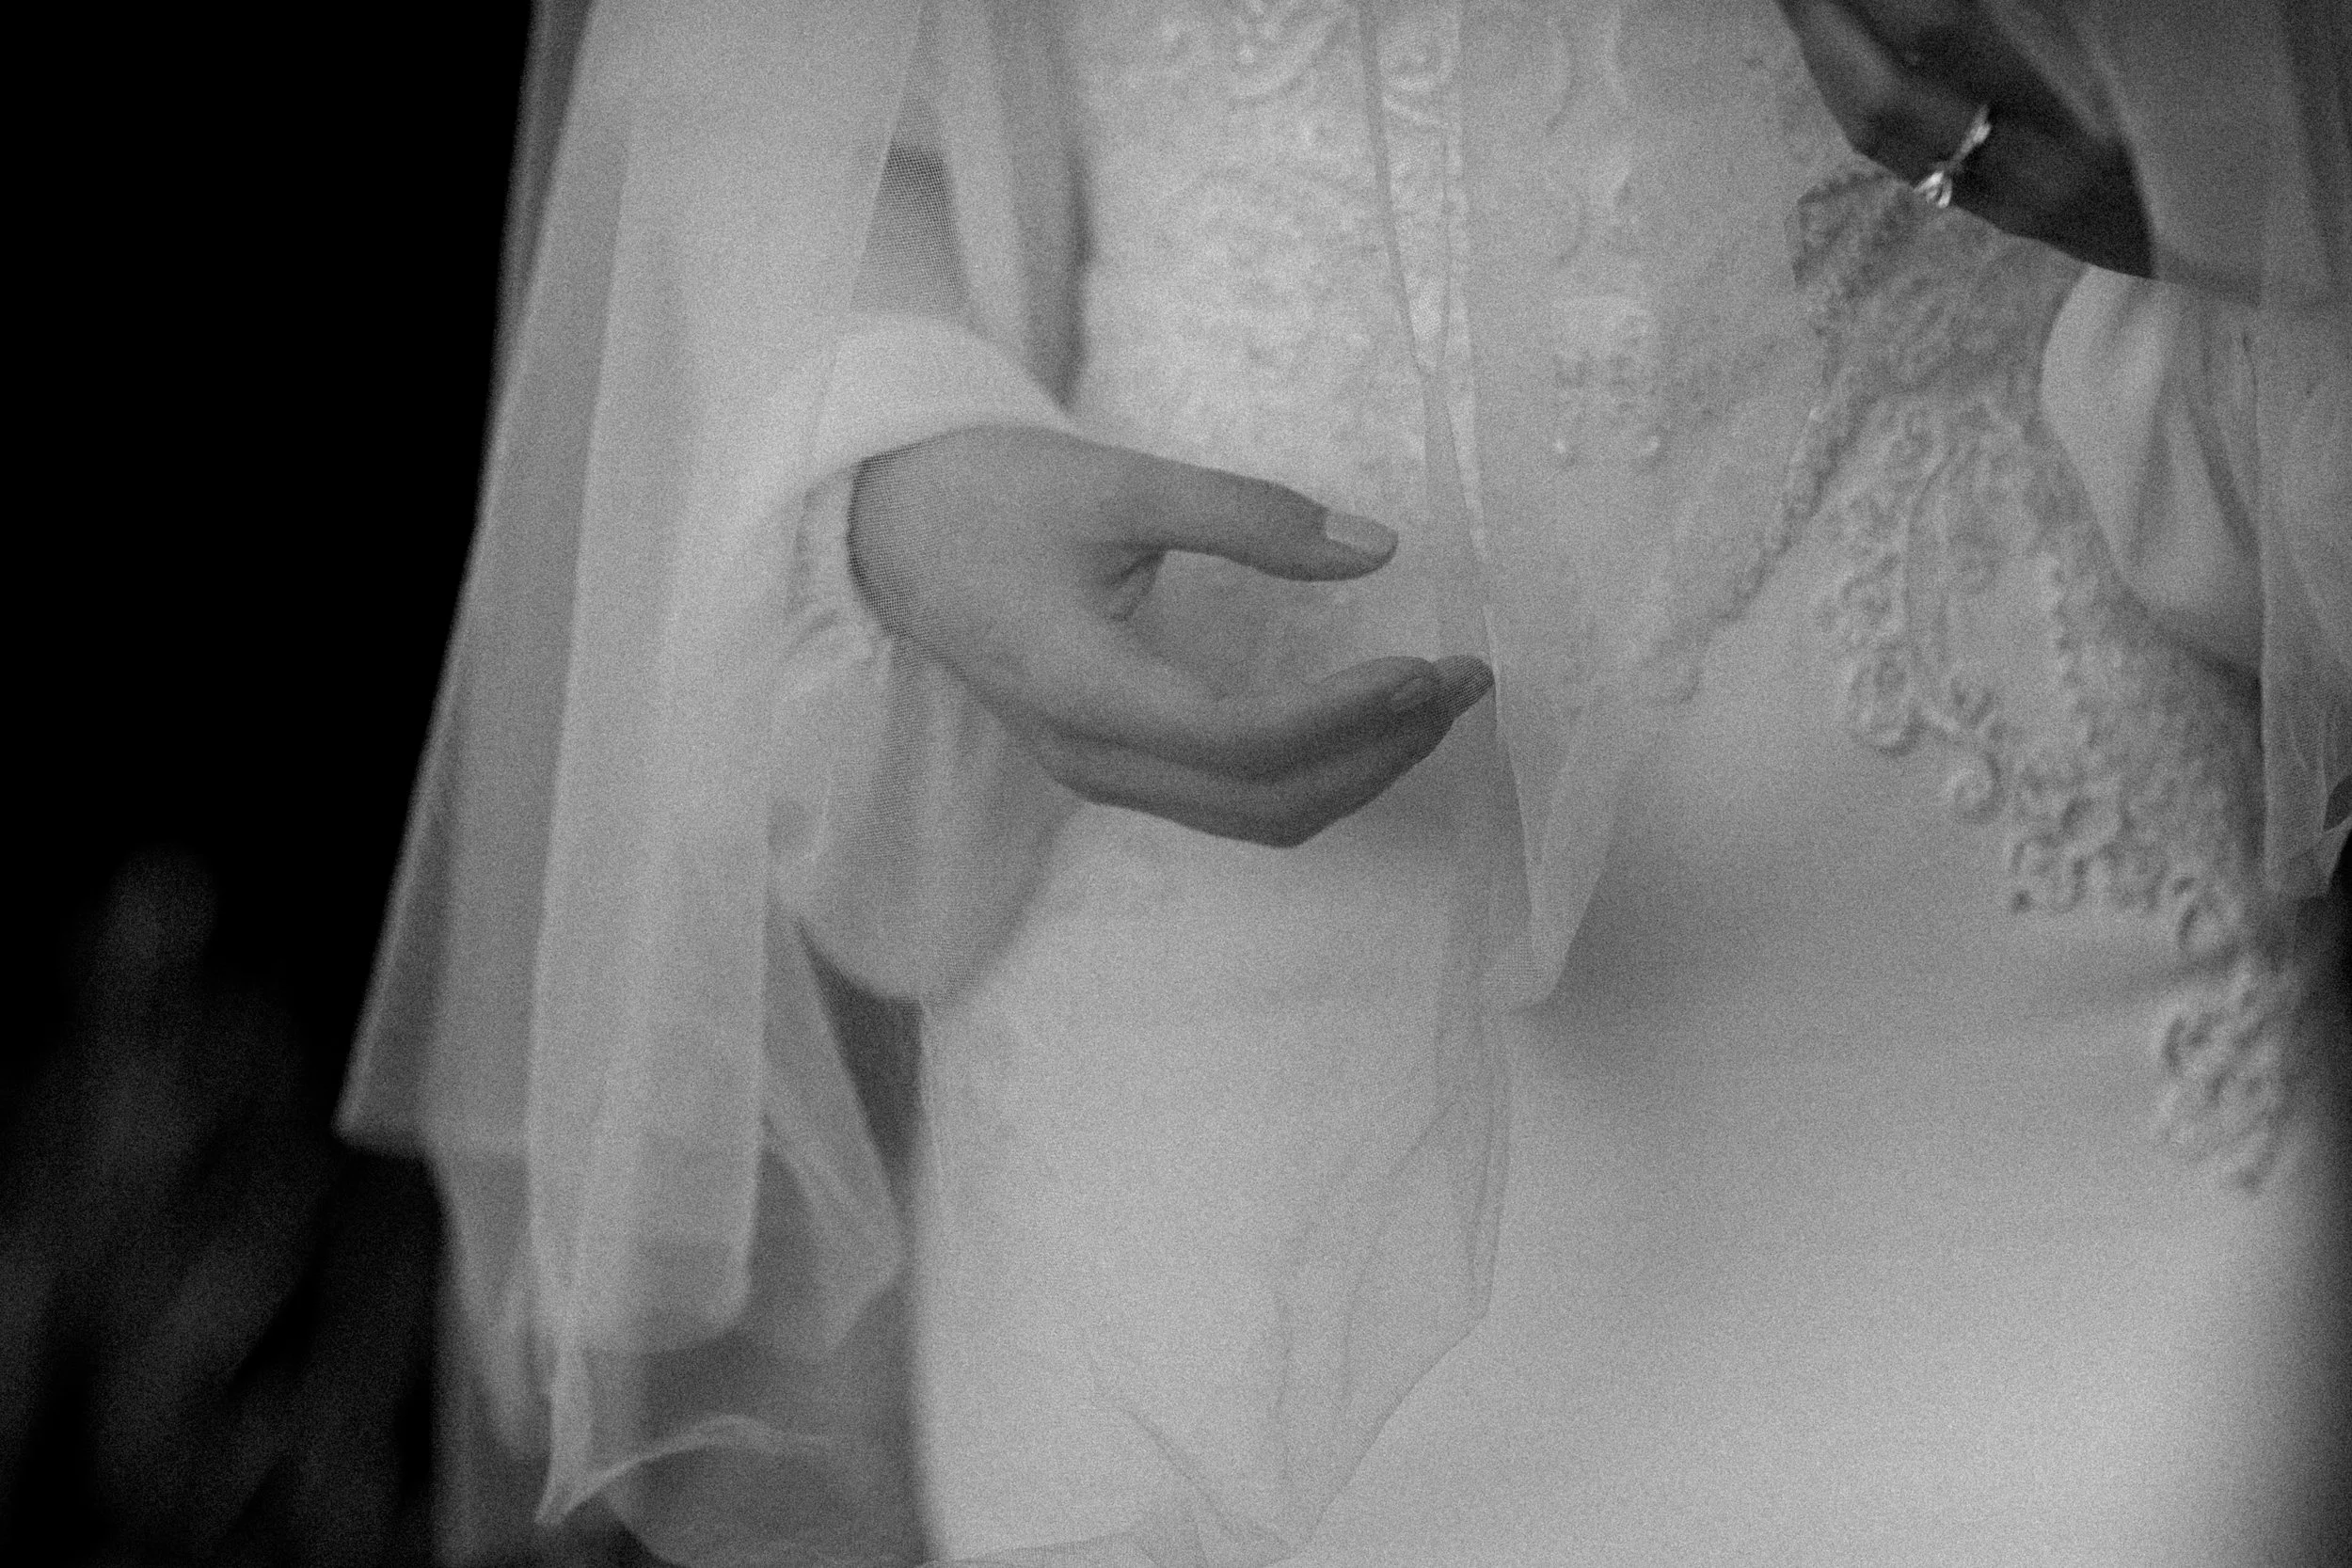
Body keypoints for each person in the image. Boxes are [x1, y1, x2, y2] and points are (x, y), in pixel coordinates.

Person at [339, 1, 2351, 1563]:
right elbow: (766, 118)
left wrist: (2209, 144)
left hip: (2019, 1008)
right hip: (1225, 1020)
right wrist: (905, 476)